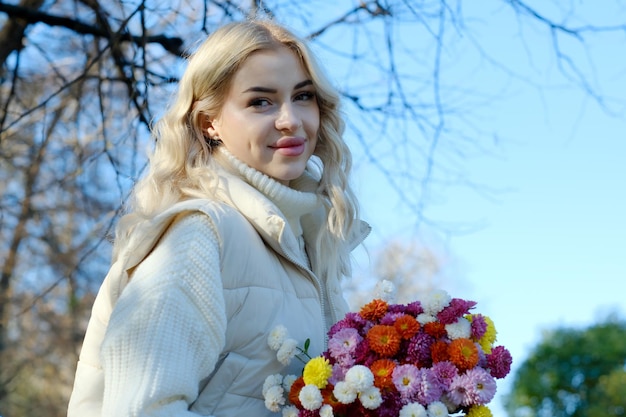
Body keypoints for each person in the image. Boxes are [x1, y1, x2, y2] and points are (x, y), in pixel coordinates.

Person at [67, 18, 370, 417]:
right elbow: (141, 409)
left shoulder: (310, 243)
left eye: (303, 96)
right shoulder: (200, 233)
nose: (290, 120)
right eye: (260, 101)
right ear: (209, 122)